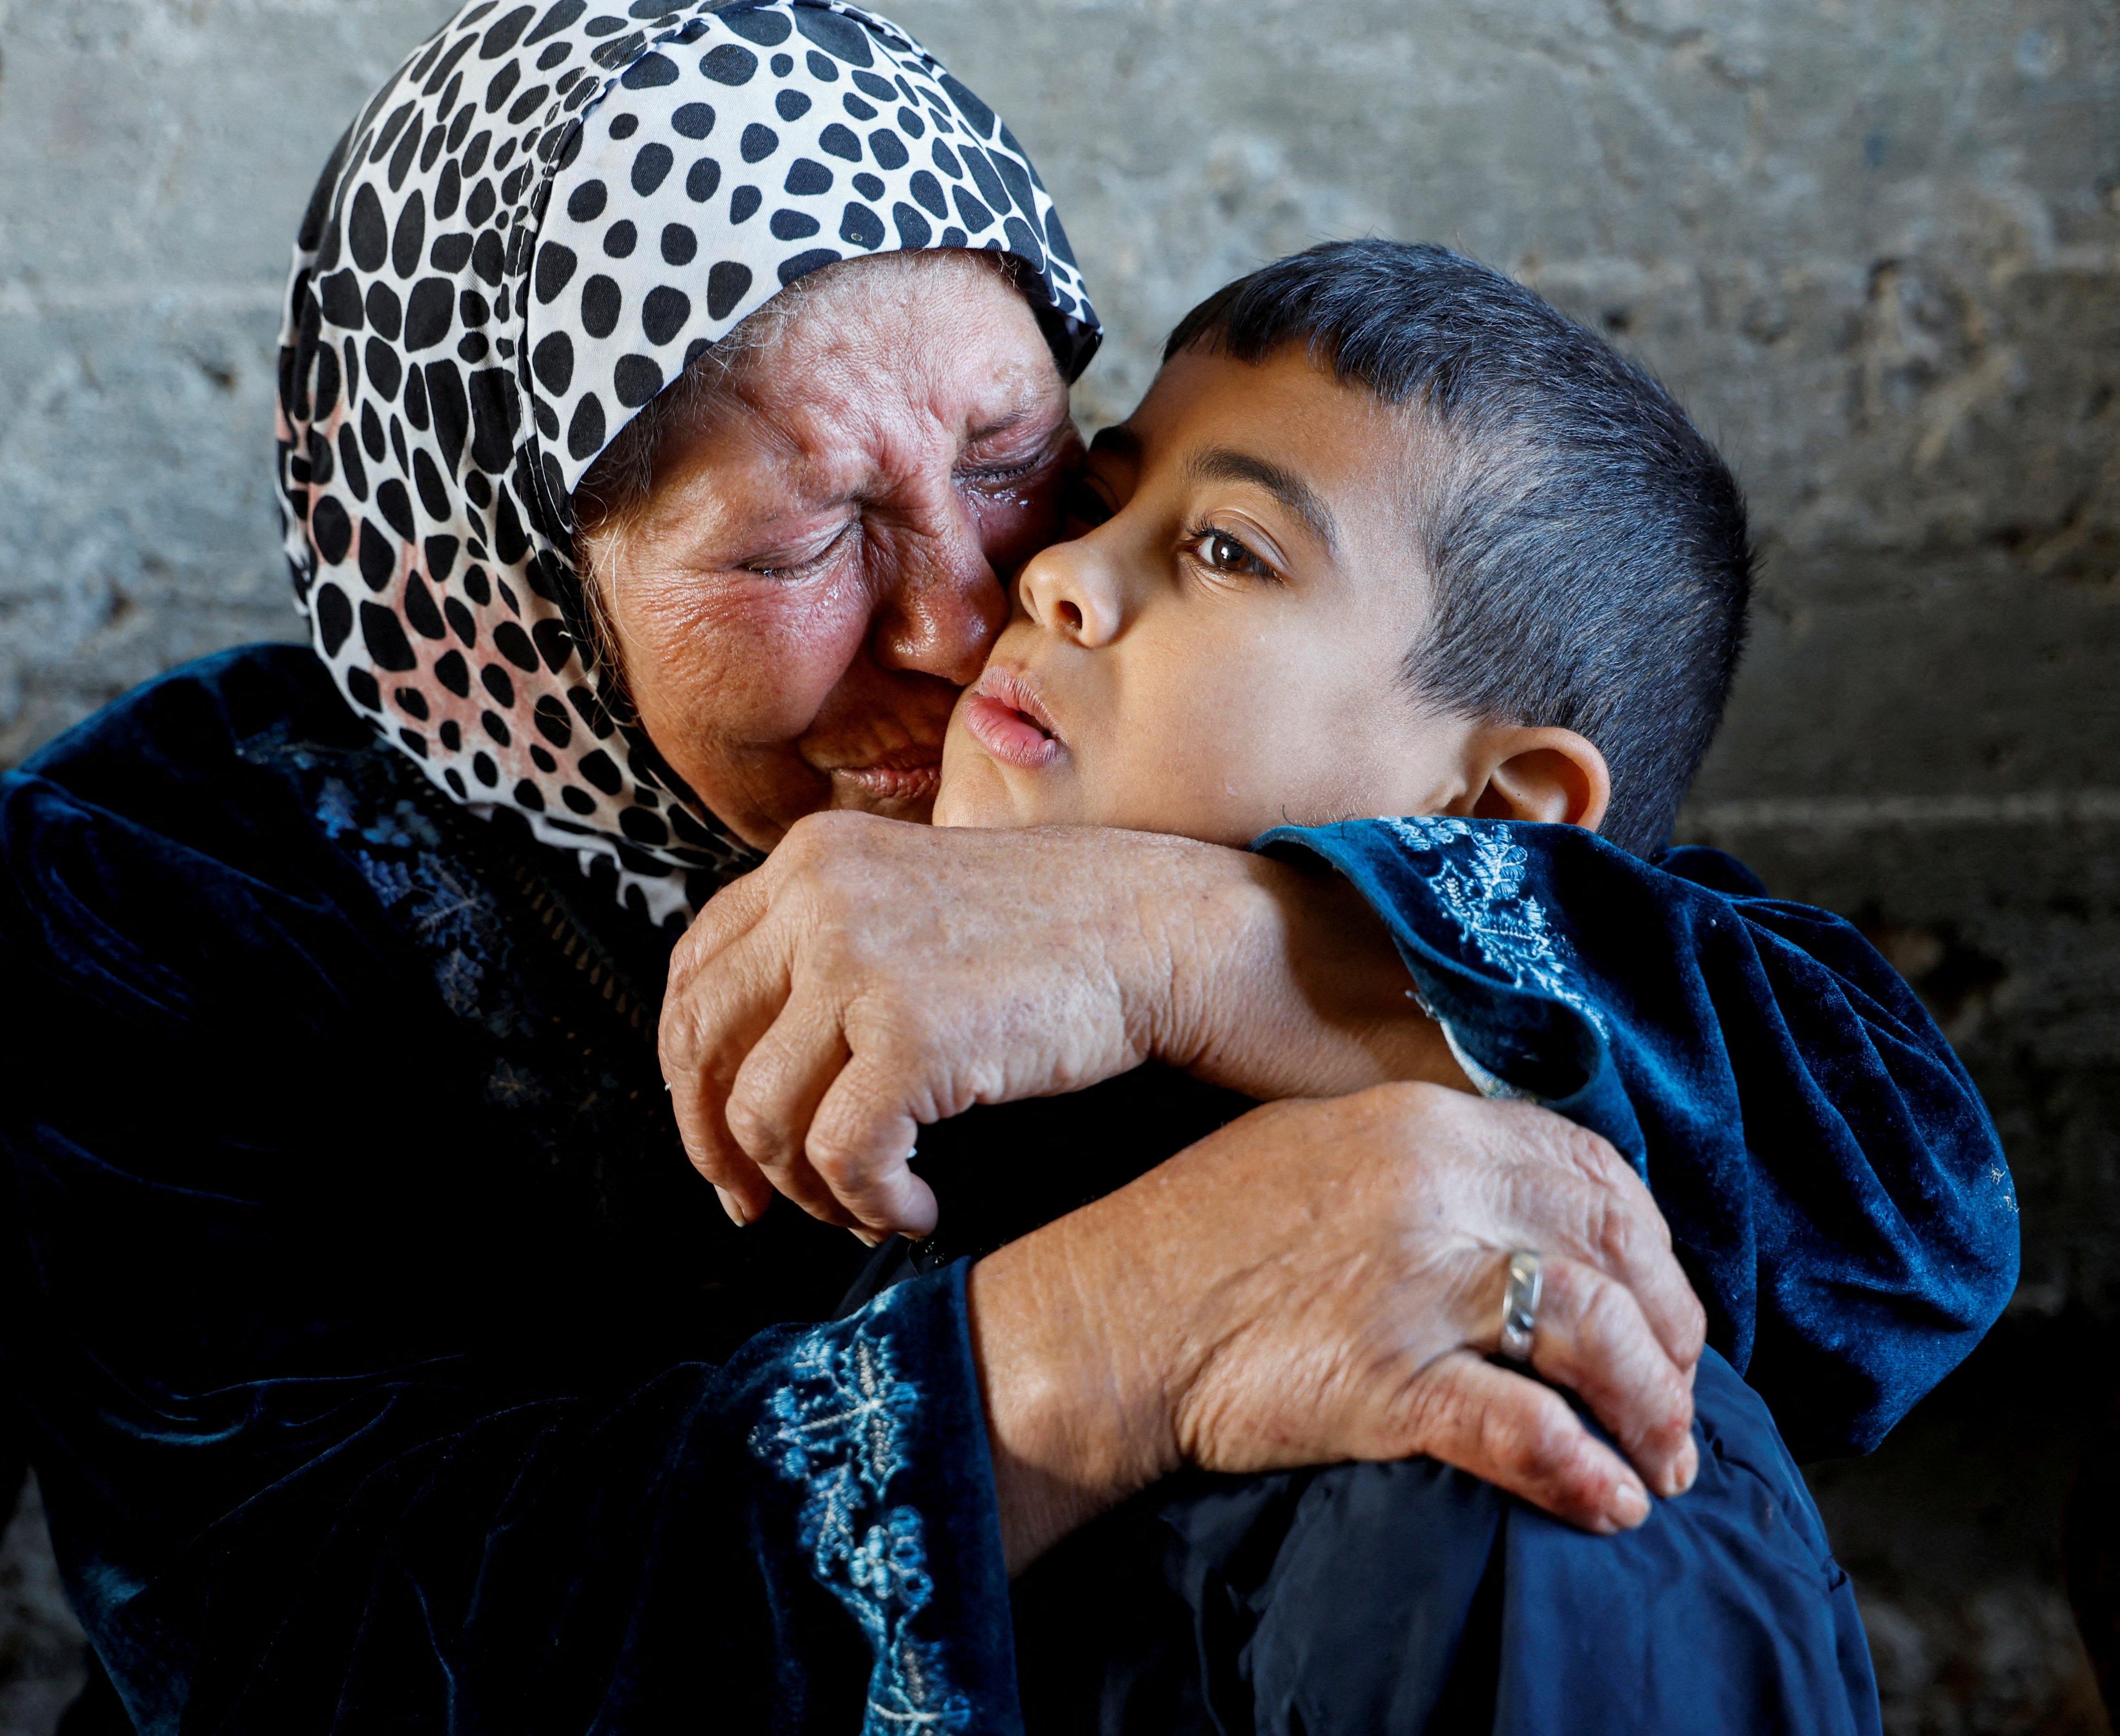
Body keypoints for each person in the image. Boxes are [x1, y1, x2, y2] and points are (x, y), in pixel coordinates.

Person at [0, 5, 2002, 1731]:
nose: (969, 612)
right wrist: (1120, 1320)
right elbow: (302, 1650)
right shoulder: (176, 877)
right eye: (795, 543)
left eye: (1022, 465)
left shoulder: (1191, 772)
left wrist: (1194, 942)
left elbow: (1888, 1207)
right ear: (520, 582)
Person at [748, 238, 1991, 1729]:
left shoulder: (1506, 1439)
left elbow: (1912, 1203)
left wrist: (1191, 940)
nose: (1059, 574)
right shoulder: (944, 1131)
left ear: (1496, 817)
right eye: (1095, 499)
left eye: (1229, 549)